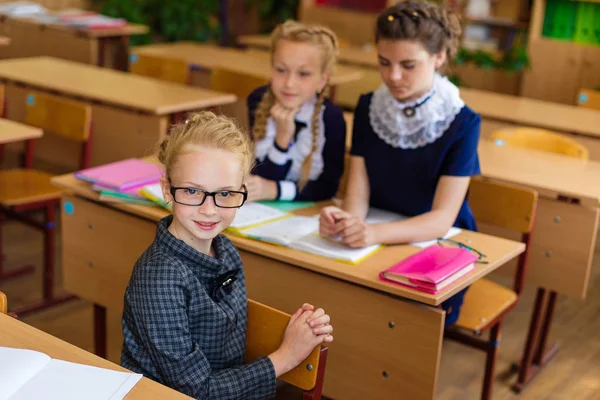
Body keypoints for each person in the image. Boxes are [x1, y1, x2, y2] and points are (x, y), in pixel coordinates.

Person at [121, 111, 333, 399]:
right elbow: (197, 391)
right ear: (167, 189)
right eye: (193, 191)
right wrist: (286, 357)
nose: (209, 209)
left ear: (242, 191)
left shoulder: (226, 251)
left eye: (225, 194)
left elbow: (230, 354)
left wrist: (304, 331)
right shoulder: (159, 277)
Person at [320, 0, 481, 326]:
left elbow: (441, 220)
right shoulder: (369, 108)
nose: (393, 76)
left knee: (403, 324)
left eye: (408, 65)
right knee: (341, 303)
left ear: (439, 57)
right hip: (378, 231)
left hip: (436, 243)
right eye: (384, 62)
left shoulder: (462, 122)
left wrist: (371, 233)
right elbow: (358, 193)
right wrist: (346, 223)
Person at [246, 20, 346, 202]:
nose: (289, 83)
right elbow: (260, 177)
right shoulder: (258, 101)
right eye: (281, 70)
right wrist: (282, 140)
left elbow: (327, 187)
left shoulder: (331, 119)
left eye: (303, 74)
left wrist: (276, 190)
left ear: (323, 80)